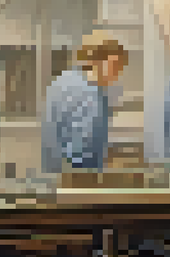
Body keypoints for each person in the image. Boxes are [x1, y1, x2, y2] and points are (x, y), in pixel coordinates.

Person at [41, 32, 128, 174]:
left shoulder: (64, 80)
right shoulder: (89, 94)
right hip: (77, 176)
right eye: (114, 65)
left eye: (120, 67)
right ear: (96, 61)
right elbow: (81, 151)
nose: (117, 73)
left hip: (54, 172)